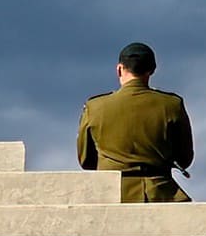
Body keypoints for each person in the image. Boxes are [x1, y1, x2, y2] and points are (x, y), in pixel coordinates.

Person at [76, 42, 193, 203]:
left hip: (110, 196)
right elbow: (184, 159)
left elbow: (86, 161)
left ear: (119, 69)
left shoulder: (94, 107)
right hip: (160, 193)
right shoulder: (172, 105)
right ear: (152, 70)